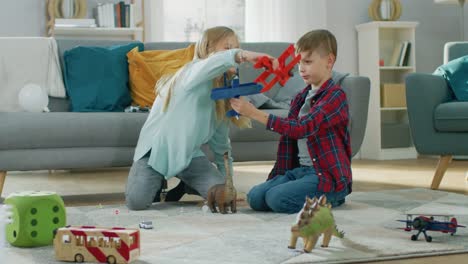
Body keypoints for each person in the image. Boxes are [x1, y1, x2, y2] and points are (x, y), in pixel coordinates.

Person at [126, 26, 278, 210]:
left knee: (221, 196)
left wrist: (227, 184)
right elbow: (214, 63)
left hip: (189, 156)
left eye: (235, 48)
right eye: (227, 47)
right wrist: (244, 54)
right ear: (207, 51)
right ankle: (158, 180)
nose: (232, 54)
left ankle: (187, 184)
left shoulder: (222, 96)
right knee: (137, 202)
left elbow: (221, 146)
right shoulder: (191, 73)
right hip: (156, 153)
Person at [230, 29, 352, 214]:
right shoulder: (300, 97)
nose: (301, 68)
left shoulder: (335, 96)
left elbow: (303, 128)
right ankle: (303, 191)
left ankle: (335, 195)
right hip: (300, 171)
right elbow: (289, 134)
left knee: (277, 199)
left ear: (329, 61)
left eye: (308, 62)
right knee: (255, 197)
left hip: (325, 175)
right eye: (300, 62)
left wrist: (254, 113)